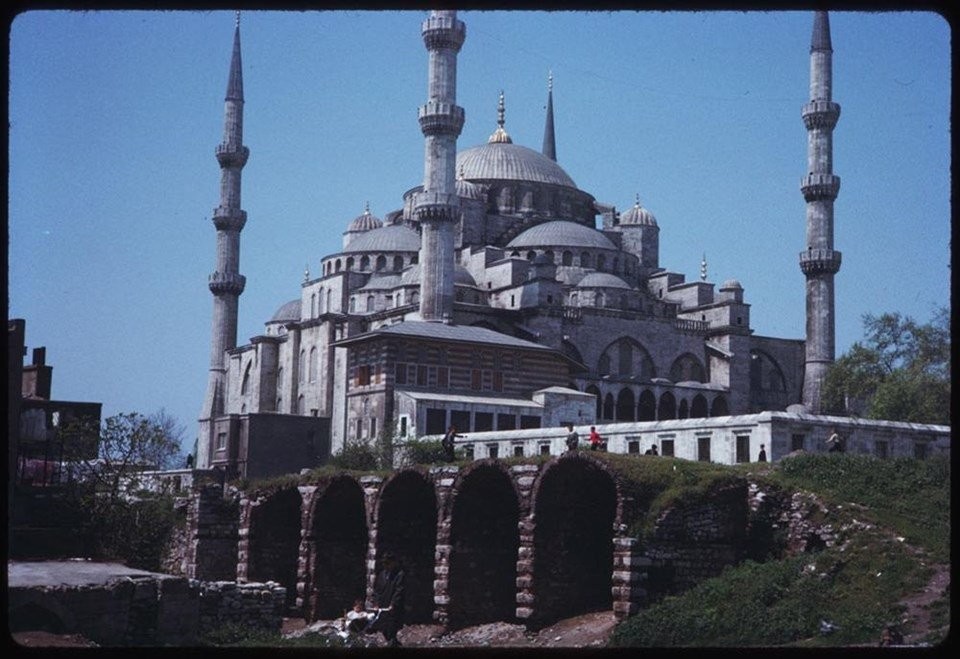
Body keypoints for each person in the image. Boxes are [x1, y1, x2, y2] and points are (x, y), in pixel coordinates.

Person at [370, 552, 405, 647]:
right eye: (384, 563)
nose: (385, 565)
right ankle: (394, 643)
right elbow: (377, 590)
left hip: (393, 607)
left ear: (393, 563)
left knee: (391, 628)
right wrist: (376, 603)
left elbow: (399, 590)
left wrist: (393, 604)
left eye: (388, 563)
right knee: (384, 629)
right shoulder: (381, 574)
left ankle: (393, 643)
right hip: (382, 605)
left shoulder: (399, 574)